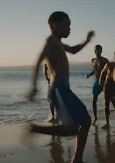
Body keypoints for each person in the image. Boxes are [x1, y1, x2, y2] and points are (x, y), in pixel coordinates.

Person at [25, 11, 93, 163]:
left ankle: (77, 159)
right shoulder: (51, 41)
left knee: (80, 124)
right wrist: (34, 86)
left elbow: (74, 50)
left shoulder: (58, 42)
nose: (69, 28)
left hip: (63, 88)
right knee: (79, 125)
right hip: (59, 88)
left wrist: (86, 41)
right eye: (67, 24)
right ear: (55, 25)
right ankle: (35, 129)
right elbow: (38, 61)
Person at [86, 45, 115, 124]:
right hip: (96, 82)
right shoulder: (93, 60)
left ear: (101, 51)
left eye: (98, 50)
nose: (97, 51)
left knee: (111, 99)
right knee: (94, 99)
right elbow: (95, 70)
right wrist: (89, 74)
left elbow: (109, 70)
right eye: (95, 50)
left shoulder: (105, 60)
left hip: (105, 82)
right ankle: (95, 117)